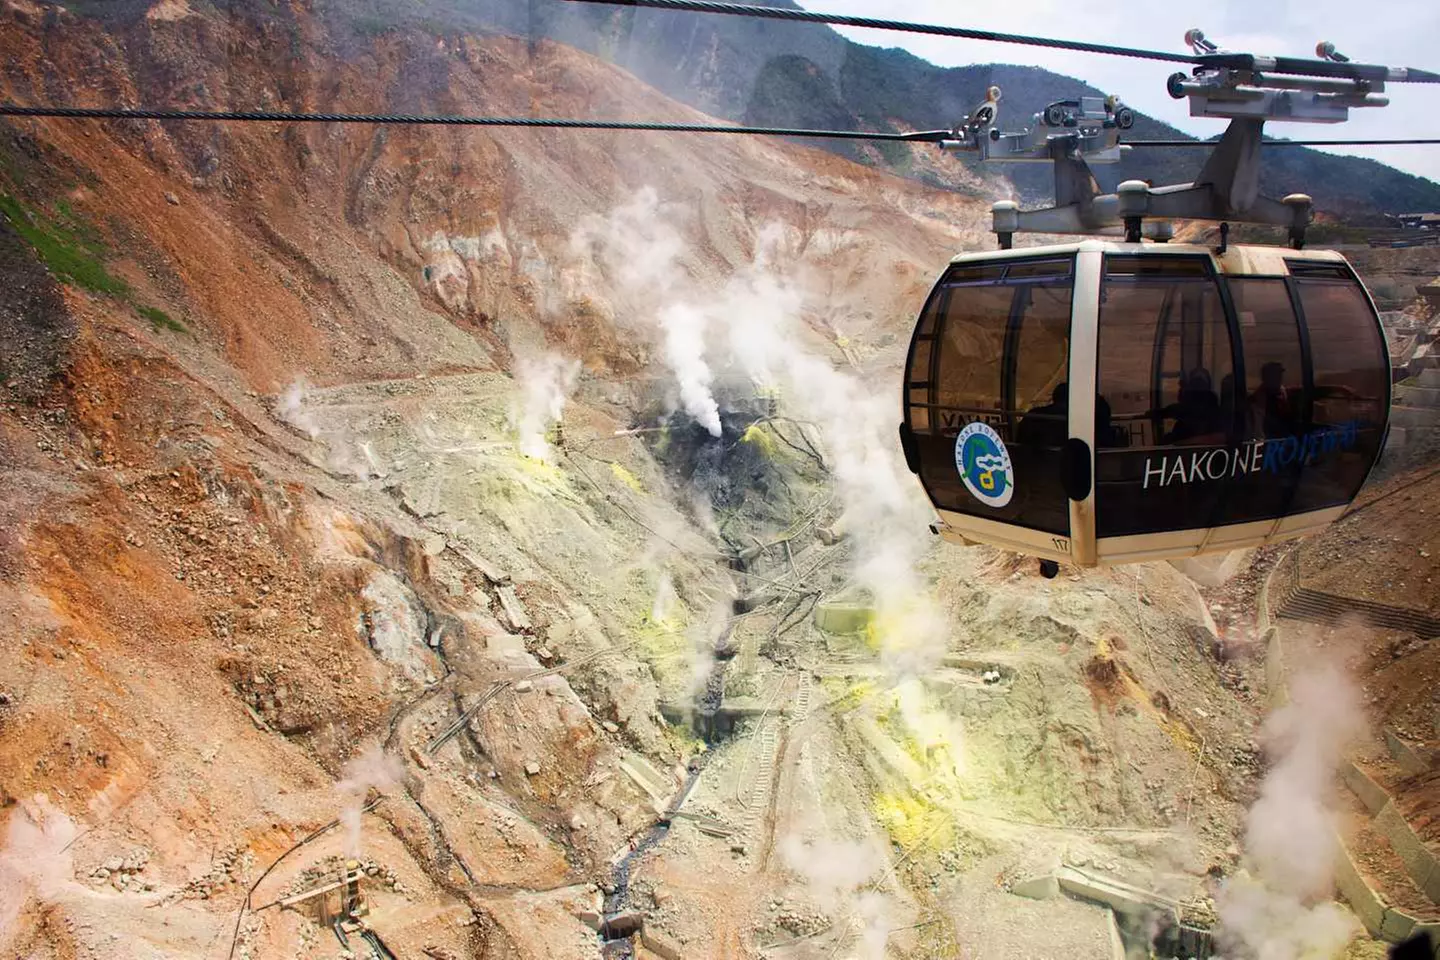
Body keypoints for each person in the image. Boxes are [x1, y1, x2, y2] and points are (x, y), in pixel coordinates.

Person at [1017, 382, 1069, 448]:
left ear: (1054, 396)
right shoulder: (1071, 419)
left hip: (1027, 455)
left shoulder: (1033, 414)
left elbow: (1020, 439)